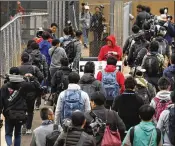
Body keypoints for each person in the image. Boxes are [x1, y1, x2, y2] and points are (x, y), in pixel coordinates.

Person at [0, 67, 39, 146]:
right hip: (21, 113)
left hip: (8, 114)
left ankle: (9, 144)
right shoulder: (24, 85)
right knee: (18, 134)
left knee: (8, 134)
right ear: (19, 74)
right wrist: (32, 78)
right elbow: (37, 88)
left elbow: (1, 102)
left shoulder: (4, 87)